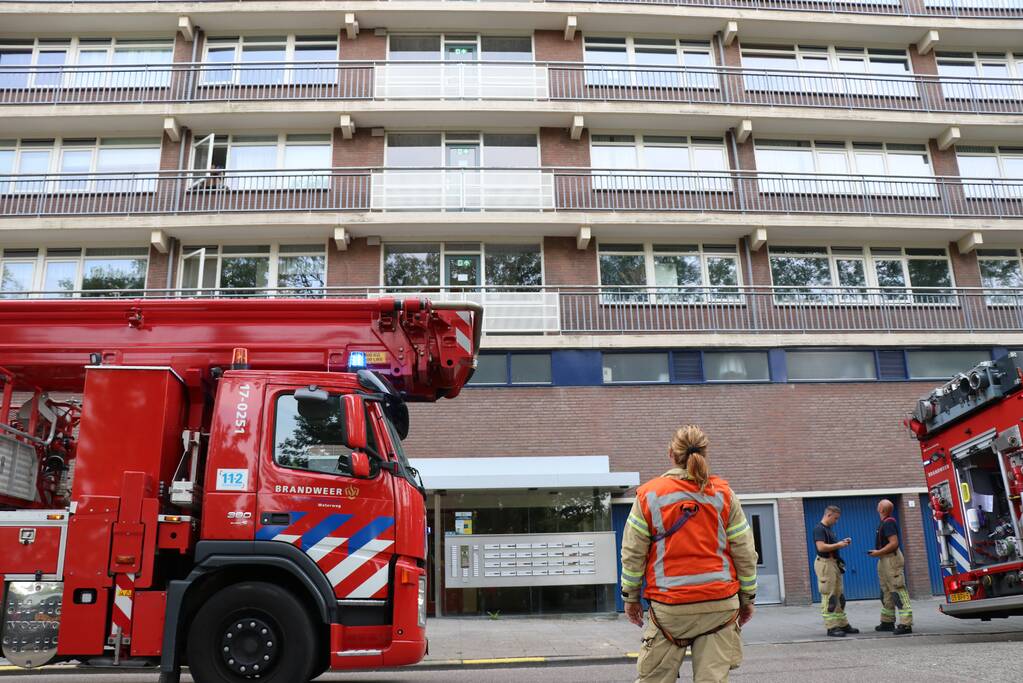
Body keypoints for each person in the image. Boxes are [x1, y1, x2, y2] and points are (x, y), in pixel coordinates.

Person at [620, 425, 758, 683]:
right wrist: (747, 597)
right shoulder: (724, 495)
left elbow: (632, 553)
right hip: (720, 605)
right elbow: (746, 552)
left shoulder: (650, 495)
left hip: (669, 608)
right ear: (705, 453)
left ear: (670, 453)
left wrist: (631, 597)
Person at [812, 505, 859, 637]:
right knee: (829, 595)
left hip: (834, 564)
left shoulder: (829, 530)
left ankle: (842, 624)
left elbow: (830, 546)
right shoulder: (819, 529)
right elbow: (821, 547)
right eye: (835, 518)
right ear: (828, 515)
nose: (836, 521)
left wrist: (841, 543)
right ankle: (831, 627)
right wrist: (839, 545)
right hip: (825, 564)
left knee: (839, 595)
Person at [868, 499, 912, 634]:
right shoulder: (884, 522)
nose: (877, 506)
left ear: (881, 509)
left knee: (898, 590)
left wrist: (878, 552)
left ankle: (906, 624)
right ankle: (887, 621)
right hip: (883, 559)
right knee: (886, 591)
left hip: (891, 560)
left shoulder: (889, 523)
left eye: (879, 505)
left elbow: (894, 543)